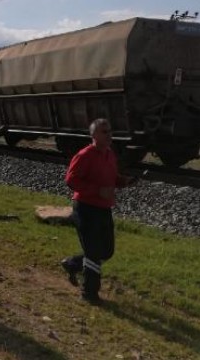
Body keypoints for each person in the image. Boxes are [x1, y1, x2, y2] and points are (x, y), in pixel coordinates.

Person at [60, 118, 137, 305]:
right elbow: (71, 180)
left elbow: (110, 178)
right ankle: (89, 294)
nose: (109, 134)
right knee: (94, 252)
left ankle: (72, 264)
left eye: (110, 131)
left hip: (104, 208)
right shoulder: (85, 155)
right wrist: (96, 191)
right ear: (93, 135)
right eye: (104, 132)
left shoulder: (109, 154)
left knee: (106, 251)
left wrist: (121, 181)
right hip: (85, 209)